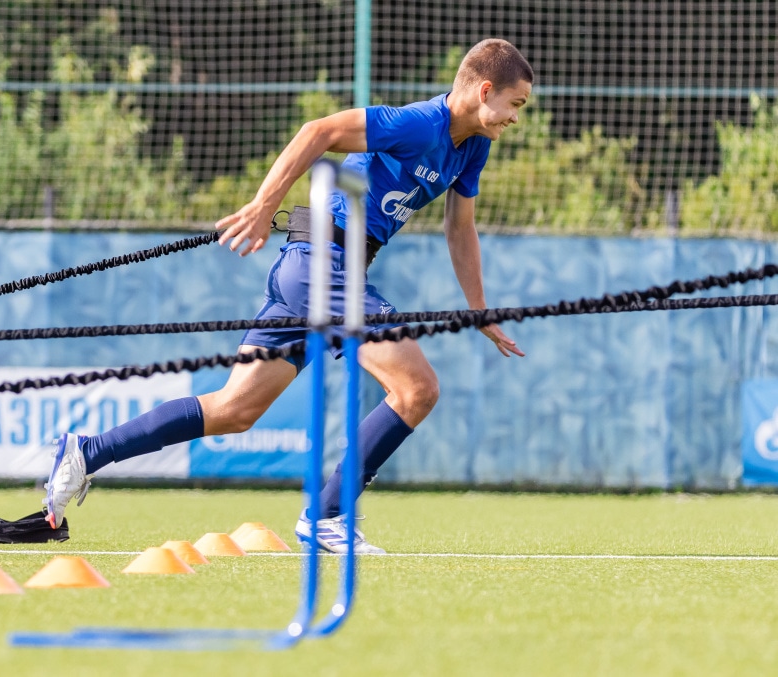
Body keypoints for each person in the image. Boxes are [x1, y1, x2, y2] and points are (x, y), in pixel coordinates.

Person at [43, 38, 532, 554]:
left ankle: (87, 451)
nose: (515, 118)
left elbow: (460, 228)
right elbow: (317, 132)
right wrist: (262, 206)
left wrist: (479, 309)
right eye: (515, 104)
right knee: (417, 390)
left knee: (234, 410)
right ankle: (326, 516)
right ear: (484, 90)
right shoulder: (419, 123)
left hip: (318, 270)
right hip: (322, 265)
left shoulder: (474, 147)